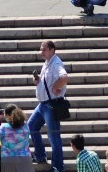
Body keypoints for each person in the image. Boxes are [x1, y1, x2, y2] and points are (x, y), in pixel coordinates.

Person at [28, 40, 67, 172]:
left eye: (44, 49)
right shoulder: (47, 63)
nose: (41, 52)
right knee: (31, 126)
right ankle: (40, 156)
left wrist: (56, 86)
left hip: (51, 105)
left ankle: (58, 167)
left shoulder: (56, 63)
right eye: (41, 49)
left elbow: (64, 77)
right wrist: (38, 80)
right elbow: (47, 80)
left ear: (52, 50)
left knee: (53, 136)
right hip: (43, 104)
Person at [0, 104, 34, 172]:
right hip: (25, 158)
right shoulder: (25, 125)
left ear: (7, 116)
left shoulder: (4, 127)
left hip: (9, 159)